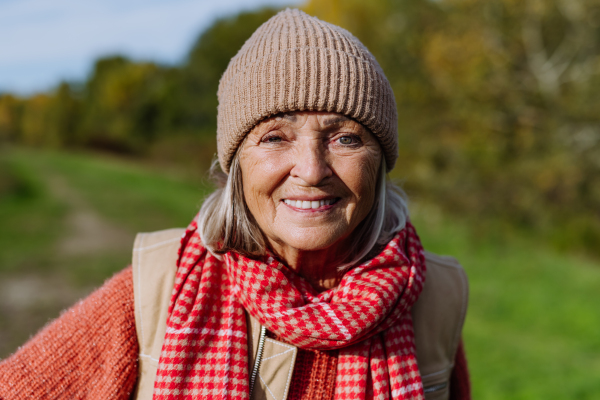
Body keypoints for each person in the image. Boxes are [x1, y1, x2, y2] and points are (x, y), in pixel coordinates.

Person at [0, 9, 470, 400]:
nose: (310, 169)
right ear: (236, 166)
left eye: (346, 138)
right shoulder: (155, 291)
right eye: (274, 138)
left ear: (380, 163)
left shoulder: (434, 298)